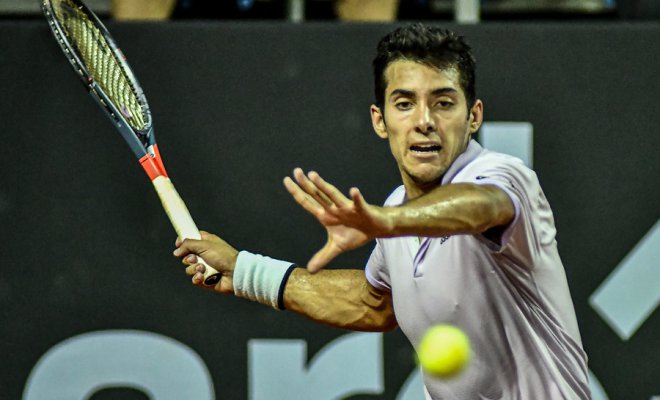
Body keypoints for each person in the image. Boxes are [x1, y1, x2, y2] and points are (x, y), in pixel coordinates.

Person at [173, 23, 591, 399]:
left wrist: (388, 224)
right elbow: (375, 304)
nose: (424, 121)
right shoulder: (395, 206)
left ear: (474, 116)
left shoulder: (502, 175)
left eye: (444, 103)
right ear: (380, 119)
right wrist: (244, 271)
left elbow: (483, 207)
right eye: (404, 103)